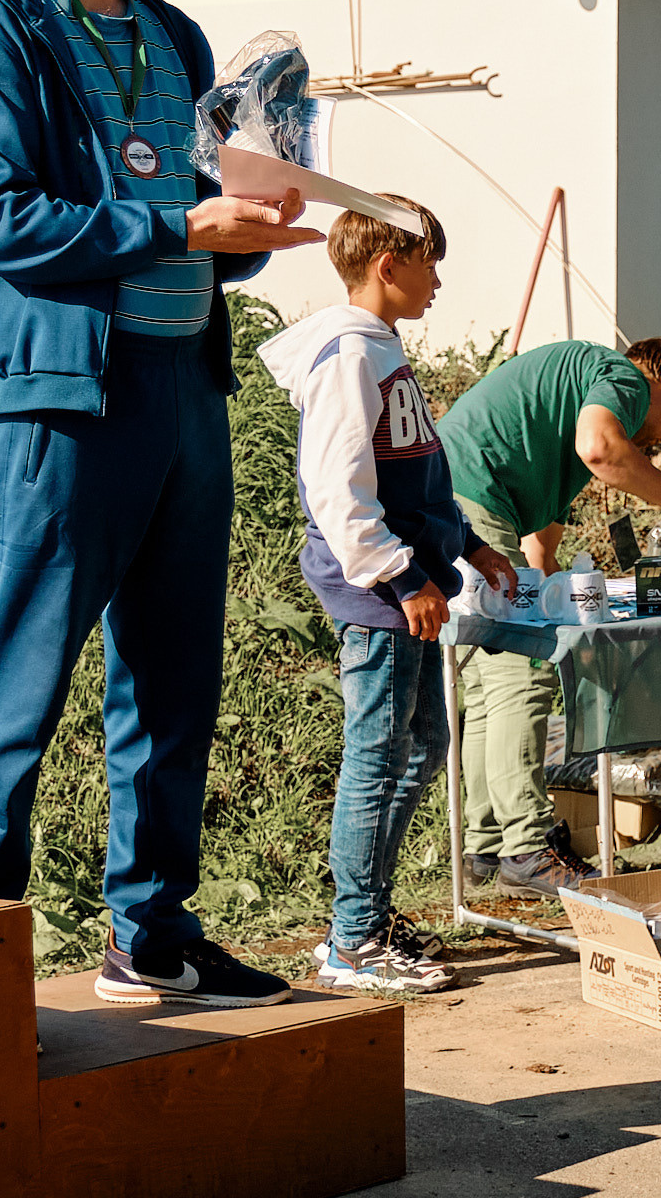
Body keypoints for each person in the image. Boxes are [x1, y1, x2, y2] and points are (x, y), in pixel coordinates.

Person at [0, 0, 320, 1008]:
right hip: (60, 399)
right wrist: (179, 221)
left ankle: (150, 930)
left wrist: (253, 226)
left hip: (183, 389)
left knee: (172, 680)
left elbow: (208, 229)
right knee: (16, 694)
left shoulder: (179, 37)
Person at [261, 198, 517, 994]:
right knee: (377, 759)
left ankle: (366, 911)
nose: (439, 279)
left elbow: (414, 473)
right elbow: (338, 489)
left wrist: (465, 543)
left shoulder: (382, 349)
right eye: (431, 262)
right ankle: (353, 941)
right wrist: (403, 576)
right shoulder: (347, 356)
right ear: (389, 265)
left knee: (422, 749)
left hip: (412, 581)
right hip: (381, 596)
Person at [438, 338, 661, 895]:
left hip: (451, 497)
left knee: (491, 682)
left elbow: (541, 545)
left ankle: (487, 848)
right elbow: (602, 449)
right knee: (520, 678)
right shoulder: (621, 378)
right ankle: (527, 850)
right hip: (471, 501)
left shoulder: (571, 405)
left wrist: (555, 611)